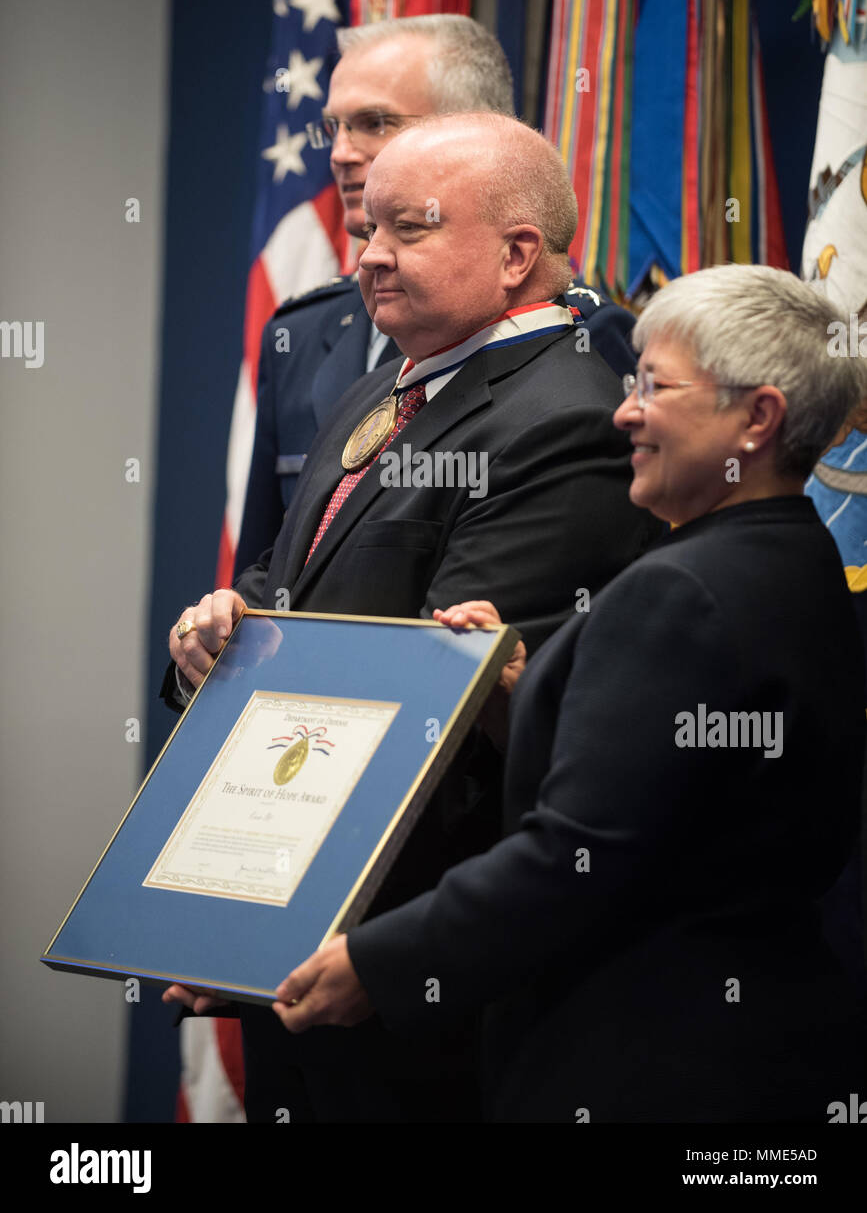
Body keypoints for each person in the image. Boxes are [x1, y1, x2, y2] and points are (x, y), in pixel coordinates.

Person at [267, 264, 867, 1124]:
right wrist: (521, 699)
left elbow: (575, 858)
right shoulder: (796, 560)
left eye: (654, 388)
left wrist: (372, 964)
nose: (623, 411)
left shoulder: (680, 592)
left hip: (645, 1060)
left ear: (757, 418)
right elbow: (677, 798)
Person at [162, 112, 663, 1122]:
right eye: (367, 231)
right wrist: (212, 638)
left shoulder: (562, 417)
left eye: (410, 228)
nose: (373, 257)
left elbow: (441, 711)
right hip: (304, 958)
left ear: (519, 253)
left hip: (408, 992)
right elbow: (276, 590)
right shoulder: (381, 390)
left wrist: (280, 923)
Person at [234, 14, 638, 572]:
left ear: (468, 130)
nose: (341, 153)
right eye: (335, 128)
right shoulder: (300, 334)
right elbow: (270, 565)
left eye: (374, 123)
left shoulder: (578, 338)